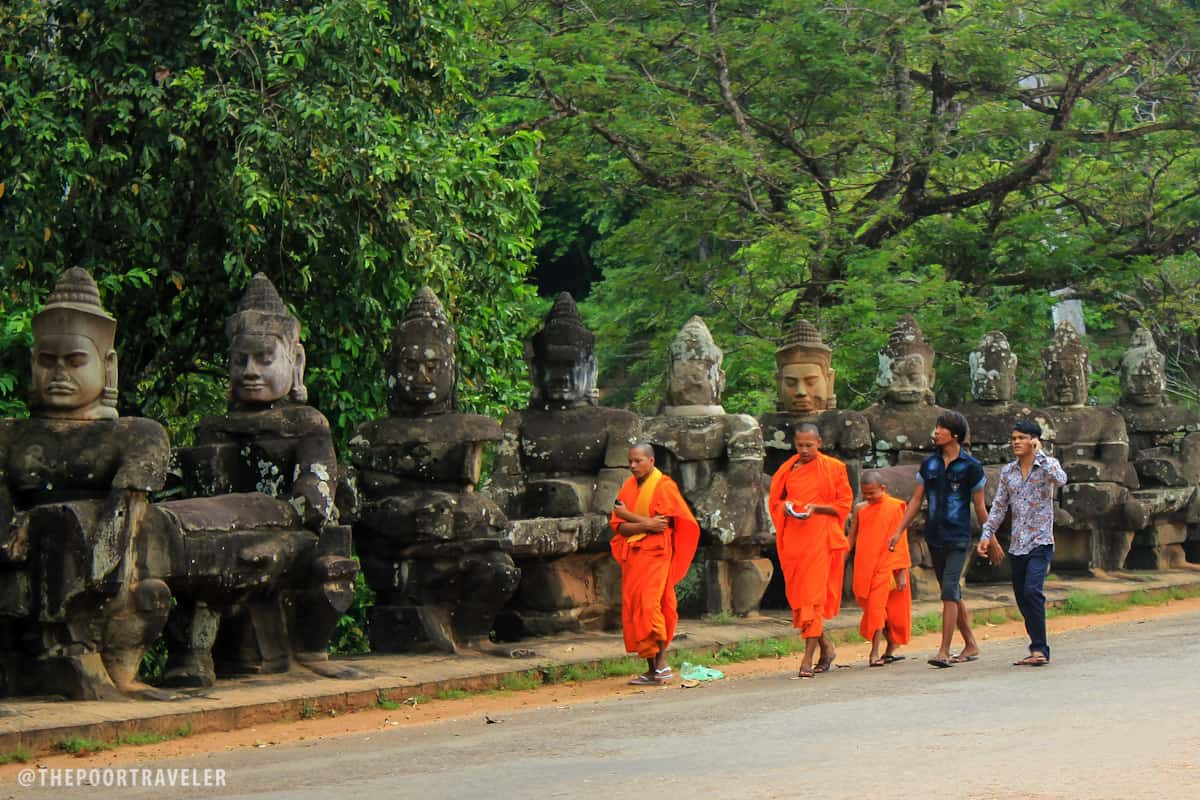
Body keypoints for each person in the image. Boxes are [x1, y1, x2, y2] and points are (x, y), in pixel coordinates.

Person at [888, 411, 988, 668]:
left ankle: (944, 650)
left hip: (958, 536)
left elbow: (979, 506)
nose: (936, 432)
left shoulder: (971, 467)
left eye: (941, 428)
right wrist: (899, 530)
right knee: (952, 592)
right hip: (935, 535)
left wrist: (990, 536)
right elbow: (915, 500)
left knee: (948, 591)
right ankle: (970, 643)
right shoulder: (930, 465)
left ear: (954, 435)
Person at [978, 420, 1068, 666]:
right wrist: (987, 535)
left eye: (1022, 438)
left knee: (1032, 590)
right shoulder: (1008, 472)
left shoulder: (1047, 466)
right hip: (1018, 543)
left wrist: (1041, 454)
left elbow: (1060, 479)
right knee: (1021, 596)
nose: (1016, 442)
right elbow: (998, 506)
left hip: (1041, 541)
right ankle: (1036, 645)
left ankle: (1040, 649)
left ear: (1034, 440)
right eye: (1014, 438)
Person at [609, 443, 700, 685]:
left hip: (657, 555)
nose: (632, 466)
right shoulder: (627, 487)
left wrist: (629, 516)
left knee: (652, 606)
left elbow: (662, 525)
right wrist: (643, 524)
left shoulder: (664, 486)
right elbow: (620, 527)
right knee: (636, 607)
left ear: (651, 460)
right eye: (630, 461)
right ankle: (652, 669)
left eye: (638, 461)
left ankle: (661, 665)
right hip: (634, 557)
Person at [768, 424, 853, 678]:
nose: (804, 450)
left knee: (812, 600)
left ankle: (807, 659)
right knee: (801, 600)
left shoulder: (834, 468)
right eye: (800, 445)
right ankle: (826, 647)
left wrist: (816, 509)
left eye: (809, 445)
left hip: (821, 539)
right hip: (795, 540)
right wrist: (786, 507)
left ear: (819, 442)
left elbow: (843, 505)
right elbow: (775, 501)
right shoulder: (787, 469)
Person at [848, 471, 911, 667]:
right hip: (866, 566)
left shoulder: (895, 507)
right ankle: (887, 649)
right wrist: (840, 556)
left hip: (889, 566)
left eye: (872, 493)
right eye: (865, 493)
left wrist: (901, 571)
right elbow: (852, 537)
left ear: (883, 489)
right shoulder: (860, 509)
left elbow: (901, 541)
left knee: (889, 613)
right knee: (875, 610)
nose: (868, 497)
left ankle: (877, 652)